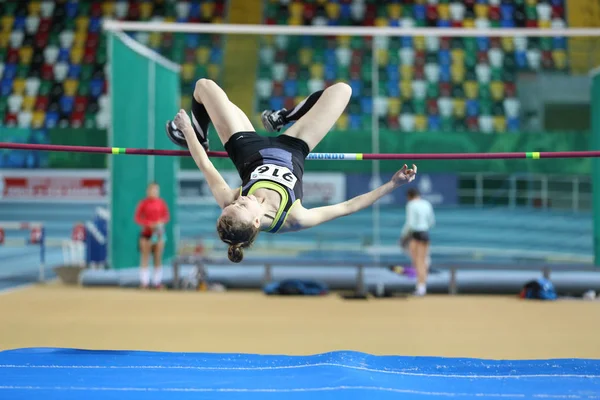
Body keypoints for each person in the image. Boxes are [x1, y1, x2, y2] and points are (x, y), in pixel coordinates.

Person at [166, 79, 417, 263]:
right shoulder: (294, 217)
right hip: (294, 146)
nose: (239, 199)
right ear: (256, 221)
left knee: (203, 86)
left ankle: (222, 129)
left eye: (234, 204)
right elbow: (348, 207)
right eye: (242, 206)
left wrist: (189, 132)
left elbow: (205, 165)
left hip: (245, 147)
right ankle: (284, 118)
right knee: (343, 90)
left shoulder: (229, 201)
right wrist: (393, 184)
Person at [134, 182, 170, 289]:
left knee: (158, 257)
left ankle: (157, 282)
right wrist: (148, 224)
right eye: (152, 190)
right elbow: (137, 218)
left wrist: (160, 223)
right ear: (148, 191)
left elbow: (166, 216)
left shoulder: (161, 203)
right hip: (146, 234)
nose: (154, 192)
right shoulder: (143, 203)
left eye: (156, 190)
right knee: (145, 256)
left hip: (158, 234)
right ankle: (144, 282)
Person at [400, 188, 435, 296]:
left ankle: (420, 287)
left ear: (409, 196)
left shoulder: (411, 205)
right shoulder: (427, 204)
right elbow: (431, 222)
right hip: (425, 234)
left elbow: (410, 224)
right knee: (423, 262)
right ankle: (421, 286)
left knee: (417, 262)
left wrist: (403, 237)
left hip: (416, 235)